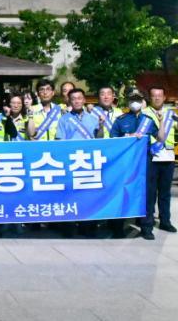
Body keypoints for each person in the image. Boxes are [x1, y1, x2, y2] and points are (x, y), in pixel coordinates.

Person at [110, 89, 166, 240]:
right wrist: (129, 136)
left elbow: (160, 138)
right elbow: (113, 140)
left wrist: (161, 121)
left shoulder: (148, 120)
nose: (135, 102)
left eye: (138, 100)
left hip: (145, 162)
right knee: (123, 193)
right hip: (125, 164)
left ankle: (146, 228)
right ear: (128, 102)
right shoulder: (121, 120)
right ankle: (118, 228)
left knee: (147, 194)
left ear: (142, 102)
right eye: (132, 100)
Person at [55, 88, 103, 238]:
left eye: (79, 98)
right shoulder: (64, 119)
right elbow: (59, 141)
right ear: (69, 101)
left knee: (88, 195)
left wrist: (101, 126)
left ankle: (87, 227)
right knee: (69, 195)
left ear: (84, 100)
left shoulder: (92, 118)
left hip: (88, 162)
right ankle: (68, 227)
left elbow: (99, 139)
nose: (76, 101)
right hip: (71, 162)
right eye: (73, 98)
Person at [141, 86, 178, 236]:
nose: (157, 98)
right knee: (150, 194)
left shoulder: (170, 113)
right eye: (154, 95)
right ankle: (147, 226)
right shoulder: (144, 113)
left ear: (164, 97)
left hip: (168, 157)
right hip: (151, 157)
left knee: (165, 193)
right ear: (150, 98)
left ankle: (165, 221)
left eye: (159, 95)